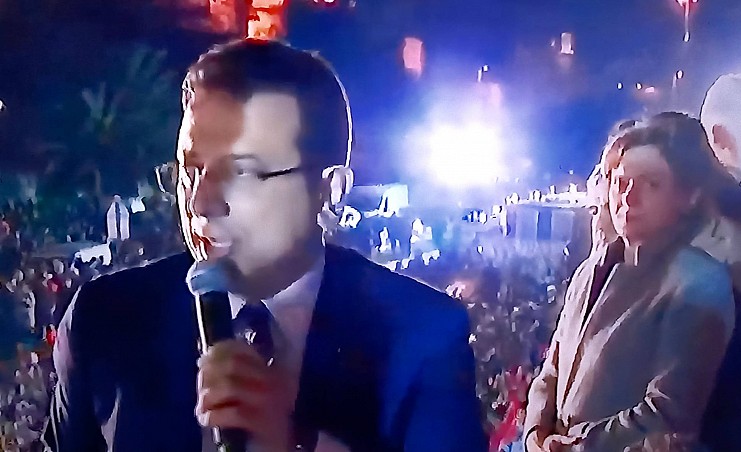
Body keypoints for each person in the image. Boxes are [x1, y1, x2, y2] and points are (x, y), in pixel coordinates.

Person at [44, 38, 486, 452]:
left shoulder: (422, 336)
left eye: (242, 172)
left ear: (329, 189)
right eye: (190, 170)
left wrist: (293, 442)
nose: (200, 203)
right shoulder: (104, 318)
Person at [524, 116, 738, 451]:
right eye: (621, 183)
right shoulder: (588, 272)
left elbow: (668, 413)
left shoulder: (697, 283)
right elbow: (552, 369)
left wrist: (573, 447)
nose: (628, 197)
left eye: (651, 184)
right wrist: (535, 432)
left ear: (688, 196)